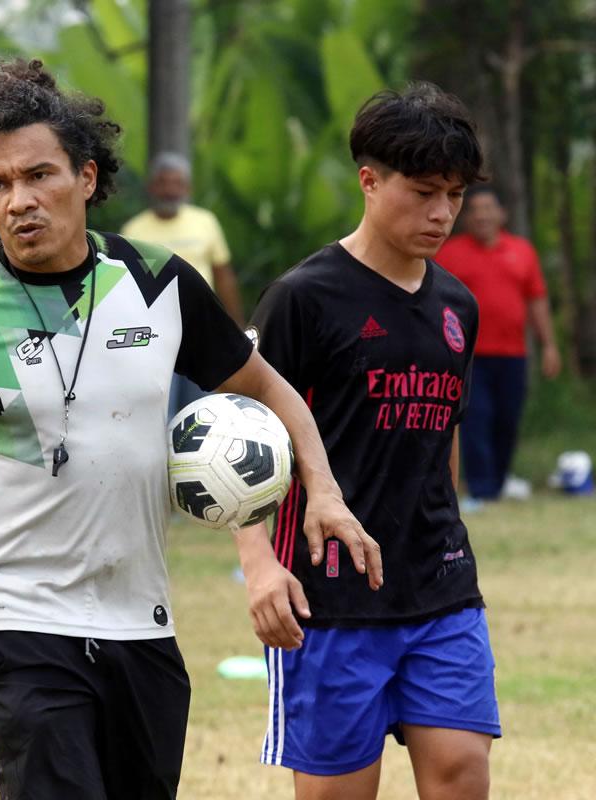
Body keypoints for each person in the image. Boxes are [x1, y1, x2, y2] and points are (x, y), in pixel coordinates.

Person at [0, 59, 380, 799]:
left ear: (86, 178)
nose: (19, 201)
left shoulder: (160, 282)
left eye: (38, 176)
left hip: (139, 622)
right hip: (11, 616)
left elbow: (273, 391)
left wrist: (326, 494)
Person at [239, 83, 499, 800]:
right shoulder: (303, 298)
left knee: (461, 776)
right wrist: (260, 568)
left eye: (452, 193)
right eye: (423, 192)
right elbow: (239, 447)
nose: (442, 212)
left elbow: (442, 435)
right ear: (369, 179)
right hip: (329, 598)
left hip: (441, 586)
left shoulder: (457, 307)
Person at [435, 186, 560, 504]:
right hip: (466, 355)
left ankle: (500, 480)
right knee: (476, 419)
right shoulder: (450, 252)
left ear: (502, 214)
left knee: (507, 418)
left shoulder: (522, 251)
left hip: (513, 354)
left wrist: (549, 346)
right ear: (466, 217)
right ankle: (482, 488)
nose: (482, 215)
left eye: (489, 208)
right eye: (475, 209)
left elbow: (537, 301)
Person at [122, 152, 245, 420]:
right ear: (152, 187)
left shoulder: (205, 222)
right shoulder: (133, 231)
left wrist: (235, 325)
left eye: (177, 183)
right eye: (164, 183)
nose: (170, 190)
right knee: (160, 411)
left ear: (187, 188)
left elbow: (223, 275)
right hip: (155, 334)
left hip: (202, 329)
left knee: (203, 410)